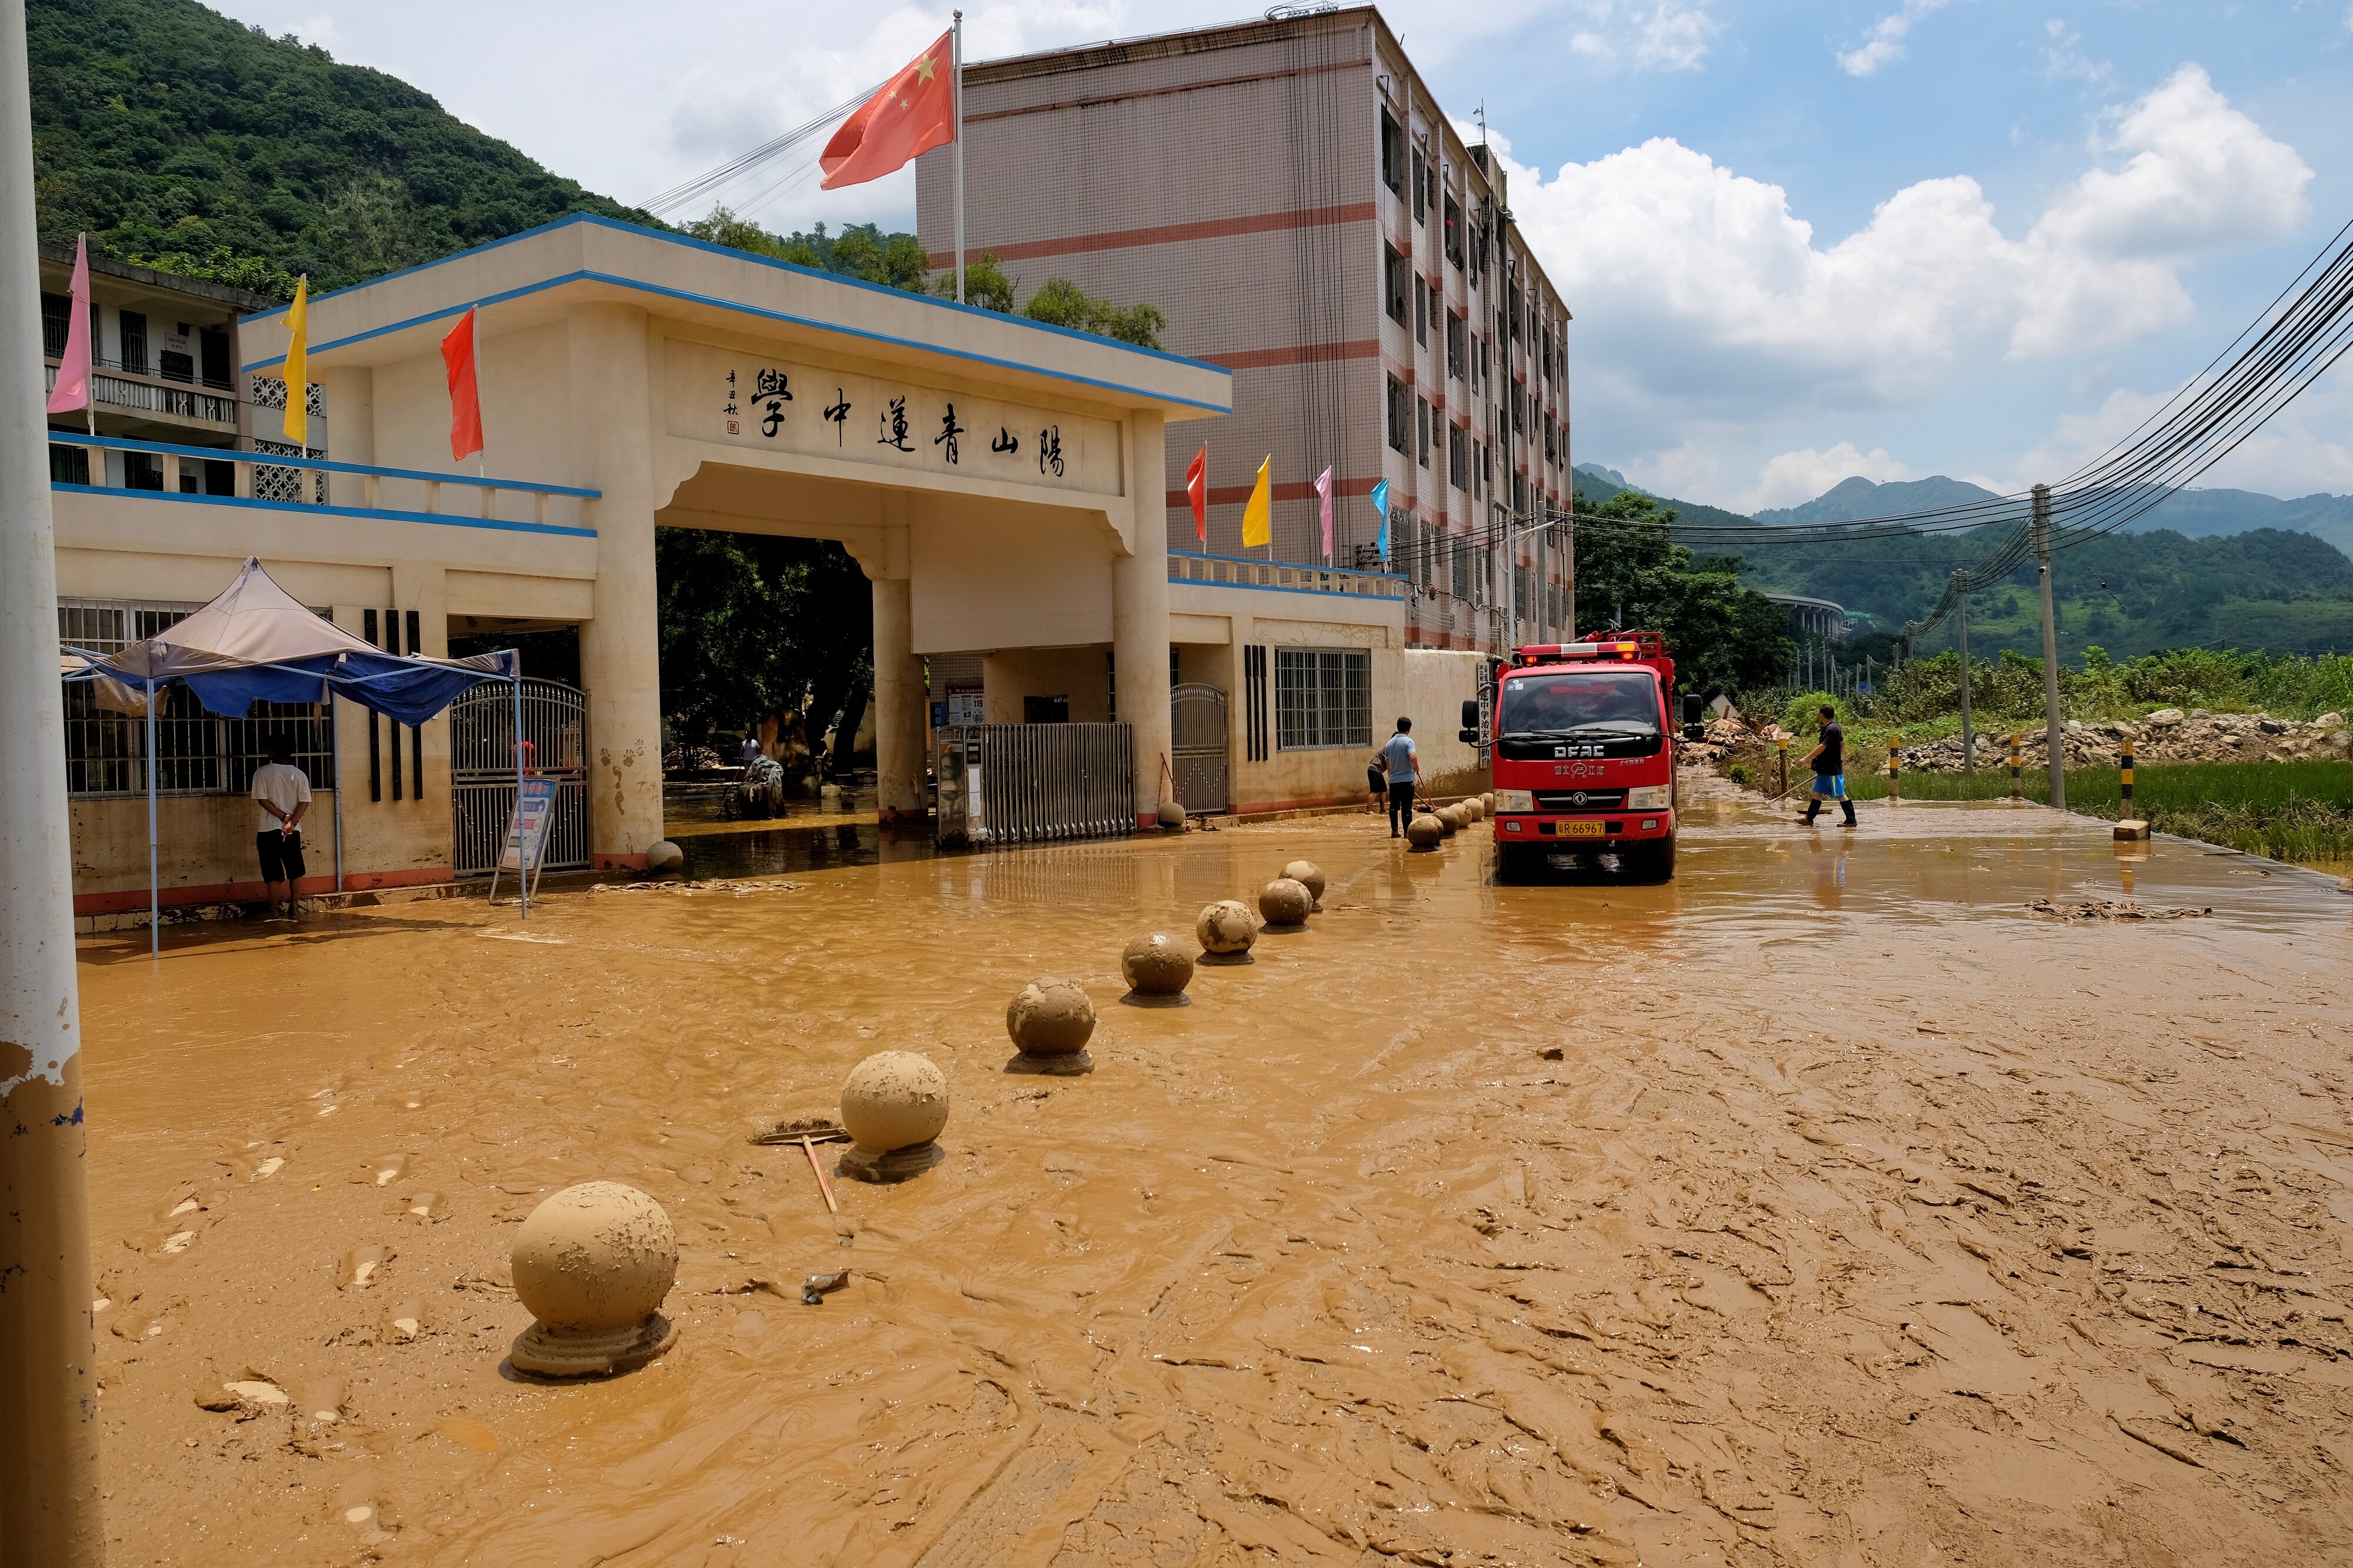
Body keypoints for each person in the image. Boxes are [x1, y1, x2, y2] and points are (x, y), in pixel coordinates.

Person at [251, 740, 313, 917]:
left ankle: (273, 907)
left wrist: (283, 817)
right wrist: (292, 822)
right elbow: (304, 803)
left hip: (268, 829)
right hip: (293, 830)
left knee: (272, 871)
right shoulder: (299, 774)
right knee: (296, 869)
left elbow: (263, 800)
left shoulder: (262, 773)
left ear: (272, 751)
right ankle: (294, 906)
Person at [1801, 705, 1857, 828]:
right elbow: (1842, 744)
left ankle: (1851, 820)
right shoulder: (1833, 727)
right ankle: (1809, 818)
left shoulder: (1831, 729)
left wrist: (1806, 759)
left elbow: (1822, 747)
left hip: (1832, 770)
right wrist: (1839, 756)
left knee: (1840, 794)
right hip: (1824, 769)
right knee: (1817, 792)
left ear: (1821, 715)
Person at [1382, 717, 1419, 838]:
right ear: (1409, 729)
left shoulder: (1390, 743)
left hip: (1394, 781)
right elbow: (1413, 757)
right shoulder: (1409, 742)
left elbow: (1387, 762)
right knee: (1407, 807)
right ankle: (1407, 832)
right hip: (1407, 780)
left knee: (1394, 807)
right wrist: (1416, 768)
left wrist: (1390, 775)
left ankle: (1394, 831)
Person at [1365, 748, 1388, 816]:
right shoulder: (1390, 747)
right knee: (1374, 791)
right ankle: (1368, 810)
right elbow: (1388, 760)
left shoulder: (1388, 747)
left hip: (1375, 770)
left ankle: (1383, 809)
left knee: (1383, 789)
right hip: (1376, 770)